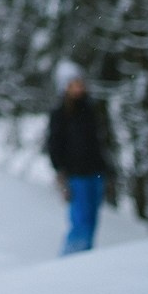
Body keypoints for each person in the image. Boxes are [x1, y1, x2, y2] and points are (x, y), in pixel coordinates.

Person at [45, 60, 113, 255]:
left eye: (80, 83)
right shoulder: (60, 114)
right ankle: (71, 259)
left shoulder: (90, 110)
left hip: (95, 172)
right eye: (73, 84)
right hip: (76, 176)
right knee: (80, 221)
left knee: (92, 220)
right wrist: (61, 172)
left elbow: (99, 143)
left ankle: (86, 258)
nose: (78, 87)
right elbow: (54, 145)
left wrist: (106, 169)